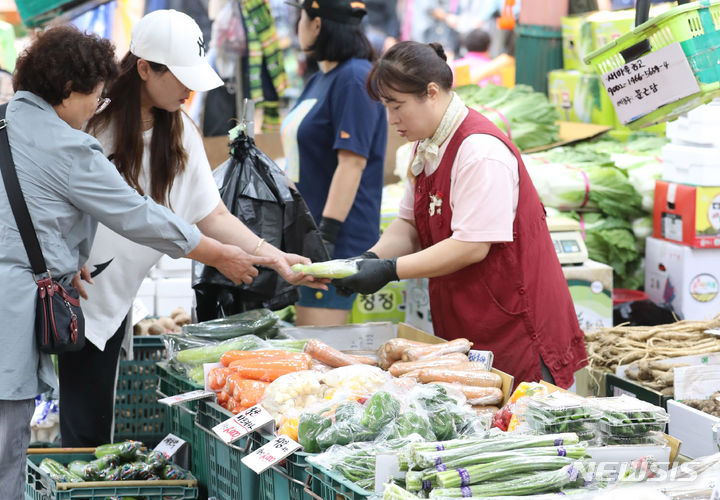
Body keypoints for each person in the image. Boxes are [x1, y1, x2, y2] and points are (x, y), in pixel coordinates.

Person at [0, 26, 282, 500]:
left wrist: (60, 258)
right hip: (11, 317)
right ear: (69, 90)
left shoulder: (7, 120)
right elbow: (138, 215)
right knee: (8, 450)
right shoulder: (70, 145)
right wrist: (217, 254)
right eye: (94, 92)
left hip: (50, 300)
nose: (98, 102)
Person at [57, 9, 322, 447]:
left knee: (90, 430)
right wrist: (61, 255)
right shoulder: (91, 121)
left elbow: (212, 214)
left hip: (112, 300)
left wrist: (272, 255)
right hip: (65, 292)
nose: (190, 88)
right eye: (180, 76)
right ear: (143, 68)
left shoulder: (180, 132)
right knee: (71, 423)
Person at [333, 41, 587, 387]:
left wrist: (388, 271)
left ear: (432, 93)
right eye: (386, 107)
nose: (391, 120)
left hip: (515, 324)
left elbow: (471, 246)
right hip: (469, 318)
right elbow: (409, 223)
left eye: (397, 106)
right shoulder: (427, 144)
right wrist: (369, 259)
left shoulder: (479, 150)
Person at [281, 0, 387, 326]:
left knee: (319, 353)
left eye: (300, 17)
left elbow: (352, 163)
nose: (295, 24)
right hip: (308, 237)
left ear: (316, 24)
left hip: (335, 243)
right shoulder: (319, 79)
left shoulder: (354, 78)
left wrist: (326, 236)